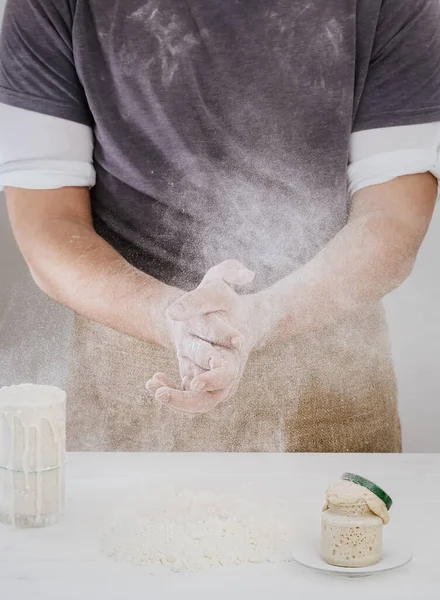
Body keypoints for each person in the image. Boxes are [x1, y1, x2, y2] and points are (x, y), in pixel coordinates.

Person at [0, 0, 439, 452]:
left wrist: (264, 316)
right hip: (130, 355)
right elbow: (48, 220)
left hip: (329, 356)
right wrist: (170, 319)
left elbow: (394, 215)